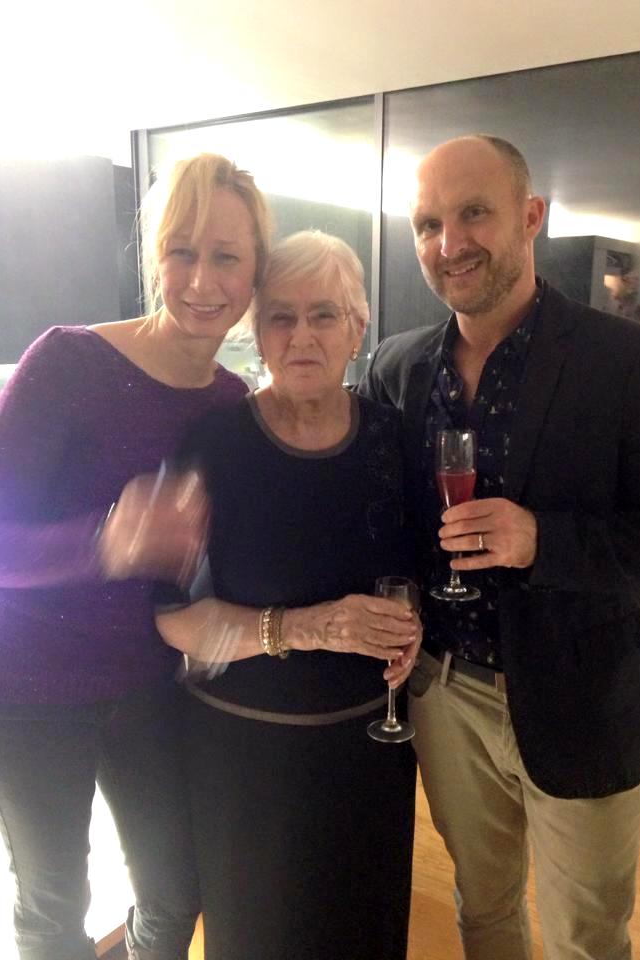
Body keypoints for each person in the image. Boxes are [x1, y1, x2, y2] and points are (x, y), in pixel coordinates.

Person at [358, 134, 640, 960]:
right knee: (481, 909)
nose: (449, 243)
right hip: (445, 693)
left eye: (473, 213)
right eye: (427, 224)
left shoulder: (629, 360)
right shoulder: (399, 368)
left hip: (584, 698)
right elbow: (383, 516)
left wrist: (542, 540)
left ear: (531, 216)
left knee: (586, 940)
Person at [0, 152, 270, 960]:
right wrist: (103, 543)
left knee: (174, 891)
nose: (202, 280)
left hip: (150, 686)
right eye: (181, 251)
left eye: (226, 256)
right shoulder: (68, 362)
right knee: (53, 903)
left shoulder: (231, 401)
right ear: (154, 257)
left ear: (255, 271)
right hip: (30, 687)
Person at [156, 230, 419, 960]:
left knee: (367, 935)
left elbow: (414, 575)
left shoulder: (394, 439)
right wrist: (305, 628)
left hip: (370, 752)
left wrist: (412, 628)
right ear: (258, 331)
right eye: (281, 316)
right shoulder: (214, 443)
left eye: (324, 315)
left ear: (358, 329)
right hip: (248, 764)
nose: (302, 336)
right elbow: (174, 619)